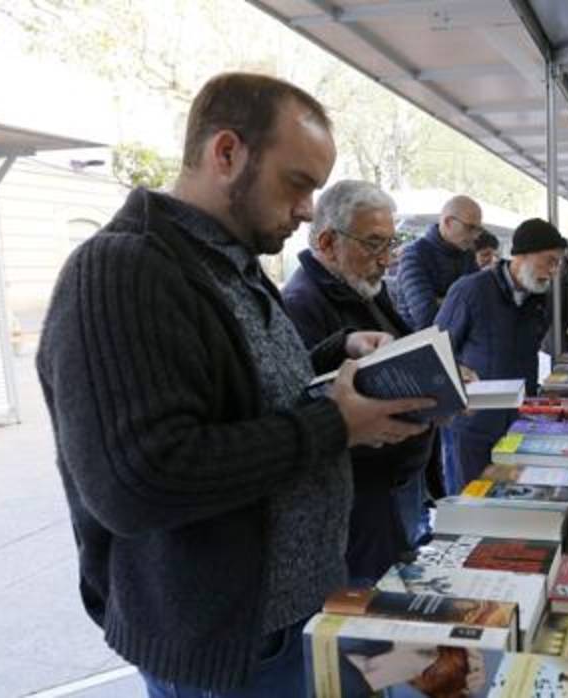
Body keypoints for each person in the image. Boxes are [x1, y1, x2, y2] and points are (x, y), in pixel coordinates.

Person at [35, 72, 435, 697]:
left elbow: (247, 397)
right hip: (230, 651)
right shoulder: (123, 270)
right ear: (227, 153)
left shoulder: (230, 266)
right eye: (297, 183)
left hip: (294, 622)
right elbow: (140, 478)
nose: (306, 209)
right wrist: (335, 423)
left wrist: (338, 352)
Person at [281, 180, 438, 584]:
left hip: (392, 483)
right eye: (373, 244)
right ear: (328, 242)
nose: (386, 259)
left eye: (390, 244)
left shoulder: (363, 288)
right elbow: (313, 407)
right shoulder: (303, 303)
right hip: (358, 501)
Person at [435, 218, 566, 493]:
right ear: (522, 255)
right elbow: (438, 352)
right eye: (549, 261)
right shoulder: (470, 291)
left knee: (505, 506)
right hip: (472, 428)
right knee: (470, 503)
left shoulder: (540, 298)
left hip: (517, 426)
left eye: (557, 264)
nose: (553, 272)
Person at [395, 195, 482, 331]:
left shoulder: (467, 255)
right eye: (470, 228)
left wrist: (441, 301)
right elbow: (426, 317)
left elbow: (481, 303)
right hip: (416, 342)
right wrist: (462, 299)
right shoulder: (414, 254)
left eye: (478, 229)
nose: (476, 236)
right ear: (448, 222)